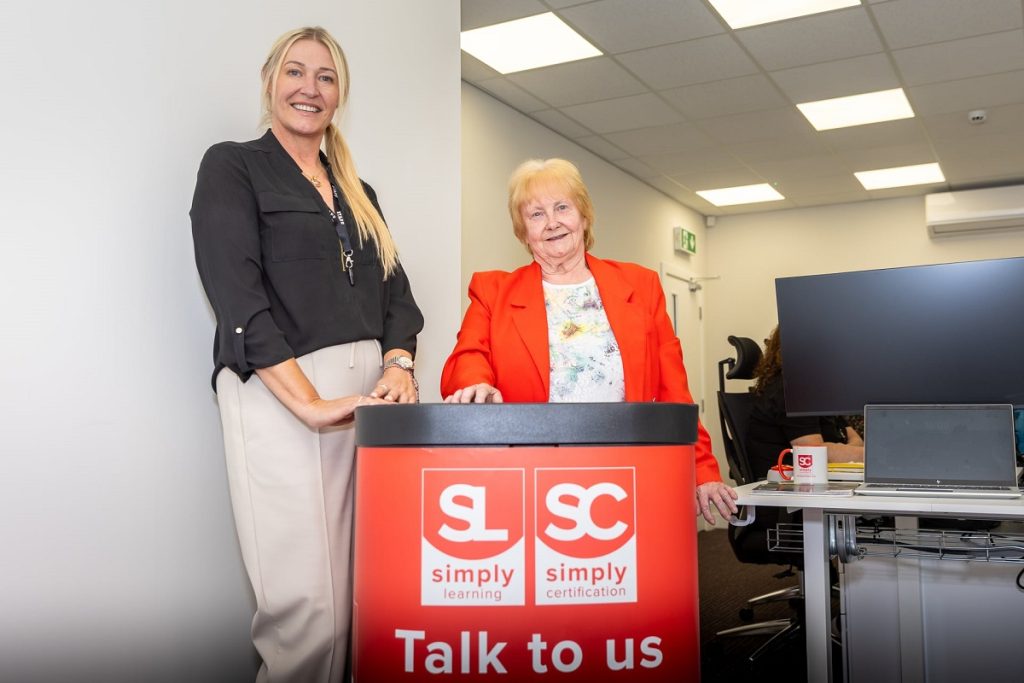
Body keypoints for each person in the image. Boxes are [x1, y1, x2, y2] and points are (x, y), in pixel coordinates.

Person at [190, 26, 423, 683]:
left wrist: (399, 364)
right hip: (280, 389)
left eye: (325, 77)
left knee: (359, 600)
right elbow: (237, 294)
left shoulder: (359, 192)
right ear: (270, 82)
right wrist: (310, 402)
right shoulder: (232, 166)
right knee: (308, 613)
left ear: (339, 94)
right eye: (295, 72)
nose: (309, 88)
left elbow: (398, 297)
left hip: (365, 399)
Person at [440, 158, 737, 524]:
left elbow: (675, 390)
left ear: (583, 215)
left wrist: (702, 469)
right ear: (522, 232)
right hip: (529, 474)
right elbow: (468, 356)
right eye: (536, 214)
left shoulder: (640, 286)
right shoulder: (493, 290)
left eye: (562, 207)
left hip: (625, 470)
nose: (552, 222)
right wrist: (475, 382)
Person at [746, 325, 863, 480]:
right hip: (789, 489)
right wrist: (872, 457)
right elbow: (813, 453)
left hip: (822, 481)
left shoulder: (817, 390)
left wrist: (839, 451)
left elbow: (856, 440)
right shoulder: (792, 390)